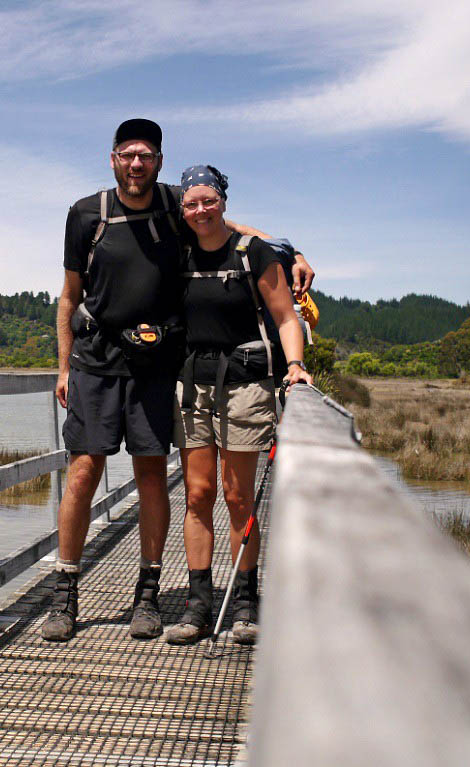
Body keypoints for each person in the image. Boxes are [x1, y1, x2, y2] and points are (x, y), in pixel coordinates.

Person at [43, 120, 315, 643]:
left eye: (146, 155)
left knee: (151, 475)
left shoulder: (176, 203)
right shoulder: (86, 215)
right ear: (113, 159)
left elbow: (236, 231)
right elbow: (68, 296)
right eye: (128, 155)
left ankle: (148, 594)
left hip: (155, 364)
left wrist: (291, 251)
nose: (137, 164)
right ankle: (65, 591)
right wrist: (62, 367)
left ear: (160, 161)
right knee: (82, 473)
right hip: (96, 361)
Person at [165, 165, 313, 646]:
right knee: (197, 495)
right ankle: (198, 605)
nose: (201, 210)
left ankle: (246, 602)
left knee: (237, 496)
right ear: (183, 208)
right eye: (192, 203)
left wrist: (294, 365)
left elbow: (286, 317)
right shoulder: (179, 249)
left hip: (247, 385)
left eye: (209, 200)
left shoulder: (253, 253)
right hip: (193, 388)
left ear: (224, 201)